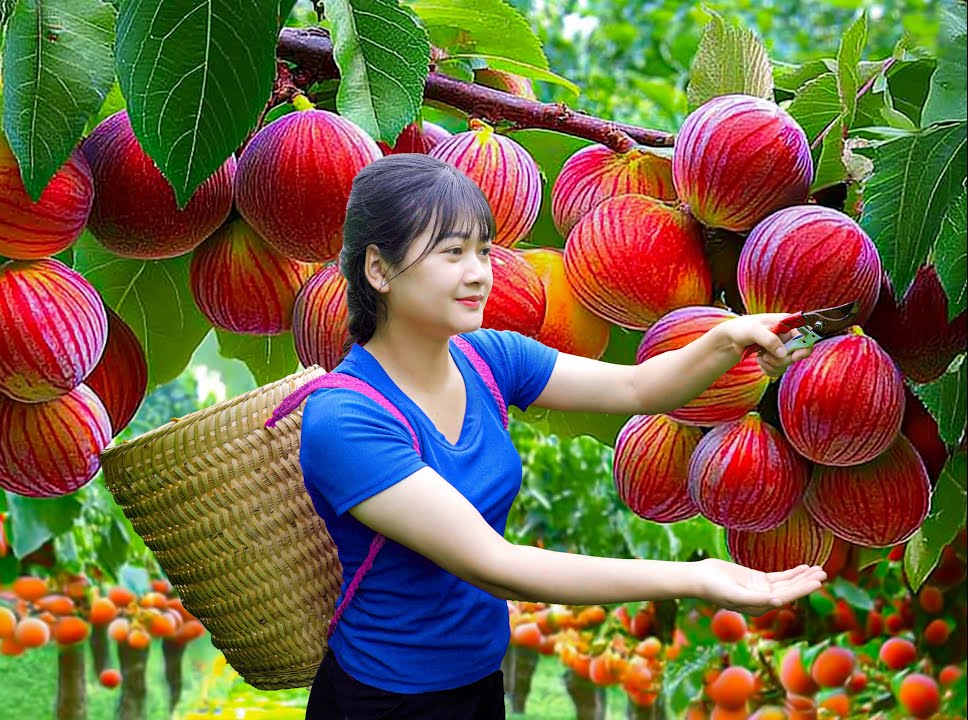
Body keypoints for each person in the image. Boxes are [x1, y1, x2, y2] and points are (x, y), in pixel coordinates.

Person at [297, 153, 827, 719]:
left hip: (476, 682)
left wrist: (732, 337)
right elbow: (493, 563)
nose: (479, 272)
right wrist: (693, 577)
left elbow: (641, 389)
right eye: (452, 252)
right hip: (384, 701)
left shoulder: (490, 359)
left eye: (484, 249)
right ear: (379, 270)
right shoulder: (346, 418)